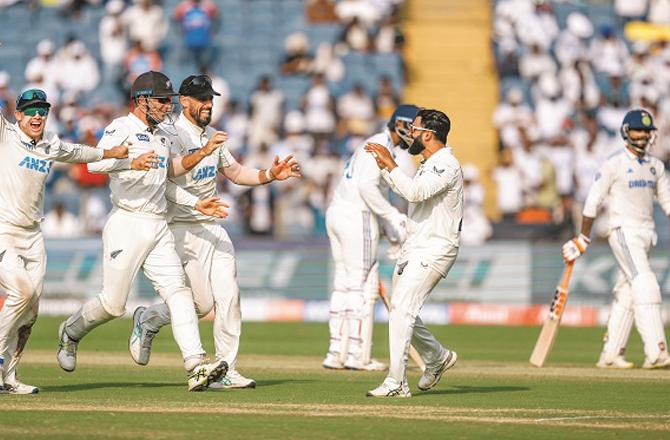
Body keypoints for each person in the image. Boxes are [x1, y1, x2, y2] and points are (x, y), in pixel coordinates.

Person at [56, 71, 231, 392]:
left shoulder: (163, 134)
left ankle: (195, 365)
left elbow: (168, 176)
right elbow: (94, 165)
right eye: (163, 101)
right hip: (127, 222)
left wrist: (197, 201)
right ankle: (70, 332)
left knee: (180, 294)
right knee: (112, 305)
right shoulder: (121, 128)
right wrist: (128, 163)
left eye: (170, 101)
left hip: (158, 223)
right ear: (142, 100)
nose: (168, 107)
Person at [128, 74, 301, 389]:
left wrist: (270, 174)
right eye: (202, 99)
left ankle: (228, 368)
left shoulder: (213, 135)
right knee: (199, 306)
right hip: (180, 228)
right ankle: (149, 319)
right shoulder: (170, 134)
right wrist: (196, 201)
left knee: (230, 296)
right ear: (185, 101)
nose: (209, 104)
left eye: (211, 99)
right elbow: (163, 180)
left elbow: (234, 172)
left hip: (212, 227)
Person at [0, 88, 129, 394]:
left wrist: (110, 153)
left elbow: (77, 152)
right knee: (22, 292)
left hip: (33, 234)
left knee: (30, 311)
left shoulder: (49, 144)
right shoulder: (5, 136)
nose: (37, 116)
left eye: (42, 110)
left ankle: (8, 377)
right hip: (3, 230)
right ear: (18, 115)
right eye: (30, 110)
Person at [563, 109, 670, 370]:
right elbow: (593, 201)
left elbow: (668, 203)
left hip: (646, 234)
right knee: (645, 284)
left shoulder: (656, 167)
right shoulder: (614, 163)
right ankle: (656, 352)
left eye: (646, 130)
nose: (643, 135)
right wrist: (583, 238)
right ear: (625, 132)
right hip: (623, 231)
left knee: (627, 292)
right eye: (638, 130)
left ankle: (610, 355)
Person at [364, 108, 461, 397]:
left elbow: (415, 193)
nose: (410, 133)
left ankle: (396, 383)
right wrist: (386, 166)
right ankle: (437, 357)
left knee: (402, 311)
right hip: (416, 244)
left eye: (415, 129)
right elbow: (411, 190)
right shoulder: (428, 162)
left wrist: (389, 163)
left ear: (428, 135)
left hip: (437, 246)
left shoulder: (447, 164)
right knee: (401, 310)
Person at [322, 104, 418, 372]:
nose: (417, 133)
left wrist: (389, 227)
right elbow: (367, 187)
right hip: (357, 216)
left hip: (338, 211)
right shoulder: (381, 145)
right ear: (402, 124)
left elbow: (375, 188)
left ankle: (336, 352)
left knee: (343, 284)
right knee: (363, 285)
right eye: (414, 126)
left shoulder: (374, 141)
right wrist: (392, 216)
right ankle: (356, 355)